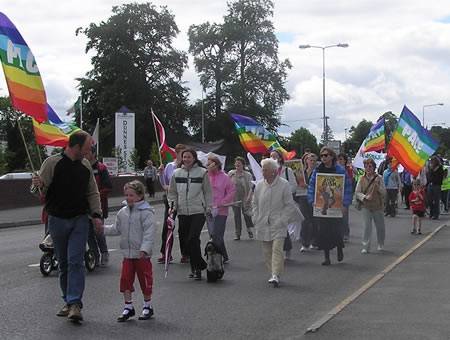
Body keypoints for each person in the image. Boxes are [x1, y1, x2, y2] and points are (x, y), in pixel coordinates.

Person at [31, 131, 102, 322]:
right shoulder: (52, 163)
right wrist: (36, 184)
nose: (89, 153)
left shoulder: (85, 165)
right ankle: (68, 302)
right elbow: (39, 190)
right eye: (87, 149)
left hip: (79, 219)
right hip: (57, 220)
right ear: (76, 147)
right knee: (63, 263)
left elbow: (93, 193)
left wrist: (96, 215)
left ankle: (75, 303)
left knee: (75, 261)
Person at [101, 180, 155, 322]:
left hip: (141, 255)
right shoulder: (122, 212)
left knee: (144, 280)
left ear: (140, 195)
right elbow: (116, 228)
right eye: (126, 195)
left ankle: (147, 305)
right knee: (125, 279)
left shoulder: (146, 213)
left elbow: (149, 233)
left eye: (131, 195)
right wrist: (102, 229)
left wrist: (144, 249)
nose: (128, 198)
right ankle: (128, 306)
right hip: (127, 254)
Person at [252, 158, 302, 286]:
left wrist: (282, 220)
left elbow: (289, 205)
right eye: (263, 169)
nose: (263, 172)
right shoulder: (259, 185)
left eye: (266, 170)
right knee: (267, 251)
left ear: (273, 172)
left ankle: (275, 274)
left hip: (278, 223)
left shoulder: (283, 184)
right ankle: (273, 272)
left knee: (277, 249)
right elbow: (255, 203)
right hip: (263, 222)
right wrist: (256, 217)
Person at [168, 149, 213, 280]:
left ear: (194, 158)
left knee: (193, 238)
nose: (186, 159)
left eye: (189, 157)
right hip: (182, 211)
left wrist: (208, 207)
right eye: (184, 157)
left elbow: (207, 191)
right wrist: (173, 206)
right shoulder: (176, 173)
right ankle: (196, 265)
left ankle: (198, 268)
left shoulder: (202, 172)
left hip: (198, 211)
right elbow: (172, 193)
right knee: (187, 241)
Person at [307, 147, 353, 266]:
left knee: (336, 230)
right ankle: (326, 257)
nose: (323, 158)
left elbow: (347, 187)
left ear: (332, 156)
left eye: (326, 155)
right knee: (323, 231)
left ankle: (339, 248)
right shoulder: (318, 170)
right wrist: (312, 200)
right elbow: (312, 186)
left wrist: (345, 203)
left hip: (336, 205)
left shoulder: (340, 170)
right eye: (321, 156)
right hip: (322, 206)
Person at [157, 144, 188, 264]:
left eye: (186, 155)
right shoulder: (170, 166)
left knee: (184, 227)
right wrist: (160, 174)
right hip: (171, 199)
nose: (184, 157)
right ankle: (165, 253)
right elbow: (164, 183)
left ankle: (185, 253)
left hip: (185, 199)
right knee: (168, 225)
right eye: (182, 154)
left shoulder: (187, 167)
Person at [85, 144, 112, 266]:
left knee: (98, 231)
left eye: (88, 152)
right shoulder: (83, 167)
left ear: (93, 153)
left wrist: (95, 197)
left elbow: (107, 187)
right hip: (85, 207)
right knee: (88, 234)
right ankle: (94, 256)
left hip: (98, 206)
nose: (85, 154)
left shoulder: (101, 168)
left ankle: (104, 253)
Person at [206, 155, 235, 263]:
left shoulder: (225, 177)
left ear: (217, 164)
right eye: (207, 164)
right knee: (213, 234)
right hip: (208, 210)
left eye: (210, 164)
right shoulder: (205, 176)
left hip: (221, 210)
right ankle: (223, 255)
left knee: (217, 234)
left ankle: (217, 257)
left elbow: (232, 191)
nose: (208, 166)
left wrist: (223, 202)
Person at [270, 150, 297, 260]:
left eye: (274, 157)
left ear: (280, 158)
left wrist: (283, 193)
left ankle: (287, 249)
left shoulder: (287, 171)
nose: (272, 159)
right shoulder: (268, 171)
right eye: (270, 157)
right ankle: (276, 250)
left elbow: (293, 186)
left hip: (283, 203)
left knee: (281, 227)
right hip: (271, 203)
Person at [355, 158, 386, 253]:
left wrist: (378, 188)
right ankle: (366, 246)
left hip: (377, 206)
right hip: (366, 206)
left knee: (380, 227)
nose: (368, 168)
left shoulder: (379, 178)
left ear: (373, 167)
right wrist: (364, 197)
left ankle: (380, 244)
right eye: (366, 166)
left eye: (370, 166)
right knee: (366, 227)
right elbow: (357, 192)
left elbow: (384, 192)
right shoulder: (361, 178)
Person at [228, 157, 254, 240]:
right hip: (235, 198)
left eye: (239, 163)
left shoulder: (248, 175)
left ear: (243, 164)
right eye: (236, 163)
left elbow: (251, 187)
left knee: (247, 215)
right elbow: (227, 185)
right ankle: (237, 234)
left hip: (245, 197)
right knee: (237, 216)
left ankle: (250, 230)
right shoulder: (231, 173)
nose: (237, 164)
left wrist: (249, 197)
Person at [299, 153, 318, 252]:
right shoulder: (302, 172)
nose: (312, 162)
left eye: (314, 161)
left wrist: (309, 187)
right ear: (306, 161)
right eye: (310, 160)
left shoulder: (317, 172)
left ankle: (314, 241)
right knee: (304, 220)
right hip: (303, 197)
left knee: (314, 220)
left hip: (314, 198)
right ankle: (304, 243)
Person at [337, 153, 353, 241]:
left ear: (345, 161)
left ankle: (346, 233)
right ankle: (338, 233)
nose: (340, 161)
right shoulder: (335, 169)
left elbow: (350, 181)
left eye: (341, 159)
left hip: (345, 194)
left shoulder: (348, 169)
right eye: (338, 159)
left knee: (344, 216)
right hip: (336, 194)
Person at [426, 156, 444, 220]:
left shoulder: (440, 168)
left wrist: (433, 174)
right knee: (430, 200)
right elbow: (428, 176)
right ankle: (431, 213)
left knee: (436, 201)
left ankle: (436, 214)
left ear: (436, 161)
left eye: (433, 161)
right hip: (430, 185)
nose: (432, 162)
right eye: (431, 161)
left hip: (436, 186)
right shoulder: (431, 168)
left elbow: (440, 178)